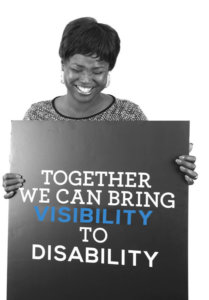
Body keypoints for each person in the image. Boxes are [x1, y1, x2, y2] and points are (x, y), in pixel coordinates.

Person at [2, 17, 198, 199]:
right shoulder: (37, 116)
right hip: (54, 233)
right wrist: (16, 185)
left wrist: (174, 174)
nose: (86, 80)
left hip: (116, 231)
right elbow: (31, 186)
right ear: (63, 65)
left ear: (108, 71)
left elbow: (146, 184)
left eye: (97, 71)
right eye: (77, 69)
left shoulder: (128, 116)